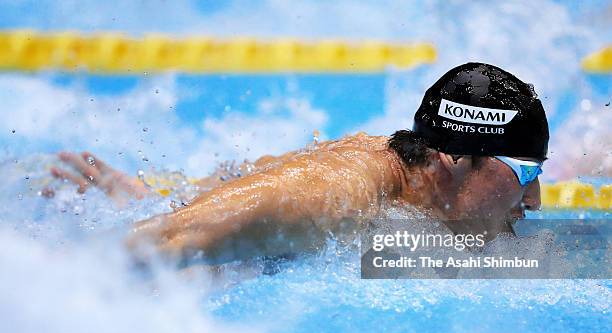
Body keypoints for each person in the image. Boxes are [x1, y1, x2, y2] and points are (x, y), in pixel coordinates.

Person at [51, 62, 549, 261]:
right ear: (455, 157)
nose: (536, 200)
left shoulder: (413, 185)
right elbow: (162, 243)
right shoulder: (340, 196)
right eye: (525, 174)